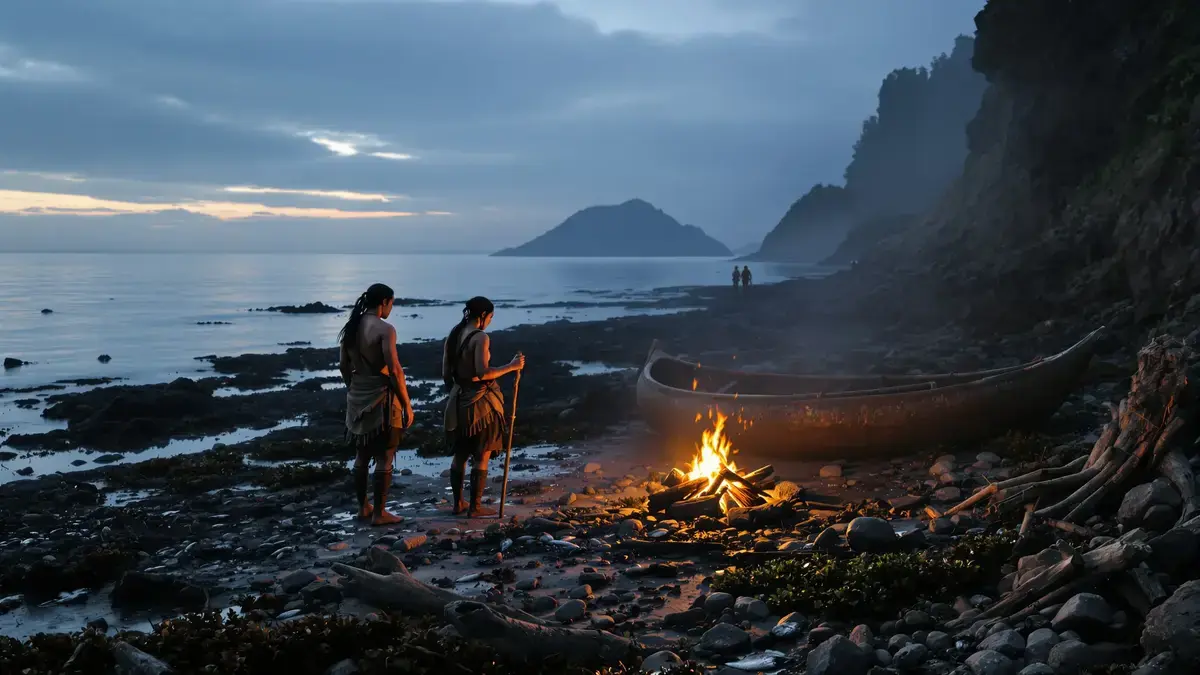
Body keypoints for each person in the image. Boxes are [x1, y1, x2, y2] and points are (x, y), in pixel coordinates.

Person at [339, 283, 414, 526]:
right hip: (382, 399)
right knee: (385, 455)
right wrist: (407, 404)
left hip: (357, 396)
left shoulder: (351, 327)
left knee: (362, 454)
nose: (391, 308)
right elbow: (394, 370)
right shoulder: (385, 329)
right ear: (384, 302)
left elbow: (343, 366)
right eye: (391, 303)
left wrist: (354, 387)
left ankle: (363, 507)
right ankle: (380, 513)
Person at [442, 296, 524, 517]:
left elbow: (446, 374)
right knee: (482, 454)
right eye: (491, 317)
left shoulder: (453, 335)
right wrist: (511, 366)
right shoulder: (480, 337)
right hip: (480, 406)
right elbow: (482, 372)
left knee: (460, 454)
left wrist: (460, 388)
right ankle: (475, 507)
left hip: (457, 402)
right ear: (483, 315)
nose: (490, 321)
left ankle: (458, 504)